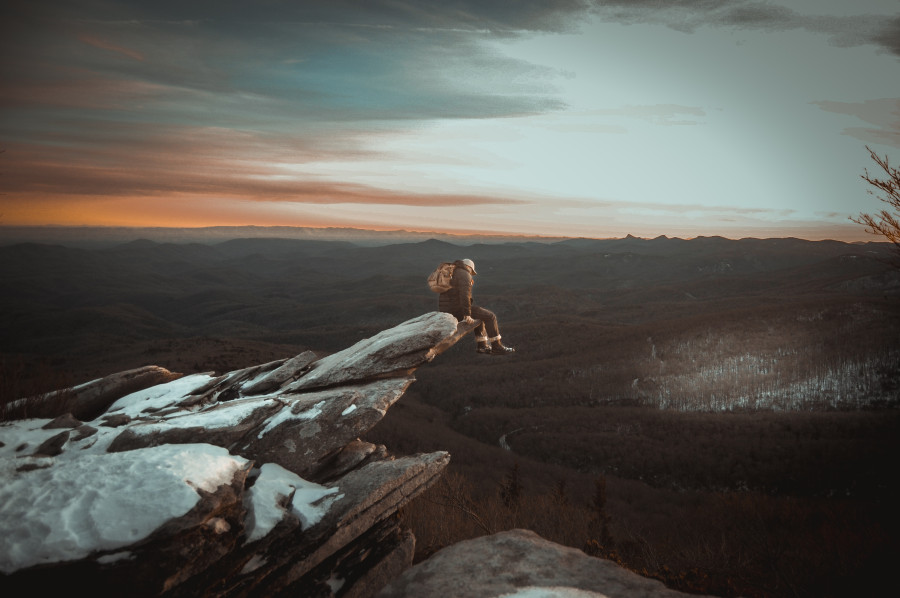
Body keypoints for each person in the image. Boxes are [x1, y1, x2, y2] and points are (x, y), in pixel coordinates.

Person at [438, 259, 515, 355]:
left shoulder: (453, 272)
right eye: (471, 272)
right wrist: (467, 314)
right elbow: (464, 295)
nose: (471, 273)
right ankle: (497, 346)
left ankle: (482, 346)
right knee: (490, 316)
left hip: (447, 309)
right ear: (469, 267)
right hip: (457, 310)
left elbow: (454, 293)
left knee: (480, 315)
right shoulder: (464, 274)